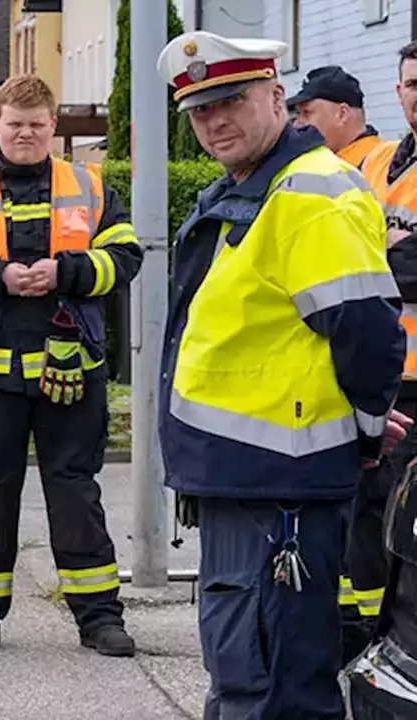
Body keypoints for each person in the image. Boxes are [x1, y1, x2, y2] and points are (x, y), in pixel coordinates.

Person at [156, 30, 409, 718]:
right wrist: (349, 419)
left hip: (276, 485)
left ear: (278, 98)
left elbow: (367, 332)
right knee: (250, 674)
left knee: (267, 685)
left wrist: (356, 431)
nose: (215, 123)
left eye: (232, 101)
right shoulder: (251, 188)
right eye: (201, 112)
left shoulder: (305, 194)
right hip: (251, 478)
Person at [0, 74, 143, 658]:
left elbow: (126, 257)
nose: (25, 134)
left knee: (75, 496)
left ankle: (99, 619)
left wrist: (65, 272)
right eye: (15, 124)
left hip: (71, 370)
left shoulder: (89, 186)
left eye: (37, 125)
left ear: (52, 128)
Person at [288, 63, 395, 664]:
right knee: (359, 515)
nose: (300, 120)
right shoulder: (354, 168)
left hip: (385, 366)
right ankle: (353, 626)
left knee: (376, 511)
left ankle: (371, 632)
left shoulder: (362, 165)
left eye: (310, 111)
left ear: (344, 114)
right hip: (355, 366)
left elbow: (371, 271)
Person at [355, 38, 417, 668]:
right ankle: (375, 639)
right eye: (412, 83)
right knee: (374, 517)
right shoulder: (377, 161)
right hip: (382, 369)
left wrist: (385, 252)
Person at [288, 65, 383, 168]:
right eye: (298, 114)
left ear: (342, 114)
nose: (296, 125)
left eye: (306, 113)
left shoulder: (379, 167)